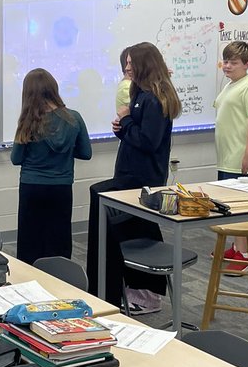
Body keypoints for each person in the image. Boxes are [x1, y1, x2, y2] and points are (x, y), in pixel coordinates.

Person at [87, 43, 181, 313]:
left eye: (131, 63)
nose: (127, 68)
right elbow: (135, 135)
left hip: (142, 177)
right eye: (125, 63)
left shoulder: (153, 98)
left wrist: (126, 121)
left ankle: (141, 293)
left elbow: (148, 141)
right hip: (131, 172)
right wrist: (122, 128)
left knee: (122, 220)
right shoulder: (140, 93)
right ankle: (107, 289)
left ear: (144, 63)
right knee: (103, 203)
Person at [11, 67, 92, 265]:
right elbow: (86, 153)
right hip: (61, 188)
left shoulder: (28, 121)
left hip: (32, 188)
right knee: (59, 237)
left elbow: (16, 158)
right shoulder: (75, 118)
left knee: (31, 241)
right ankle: (61, 281)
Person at [213, 40, 248, 264]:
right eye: (225, 61)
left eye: (233, 62)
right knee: (229, 205)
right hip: (227, 156)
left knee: (241, 207)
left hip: (240, 157)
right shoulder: (230, 85)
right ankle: (236, 247)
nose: (227, 66)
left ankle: (243, 255)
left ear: (246, 64)